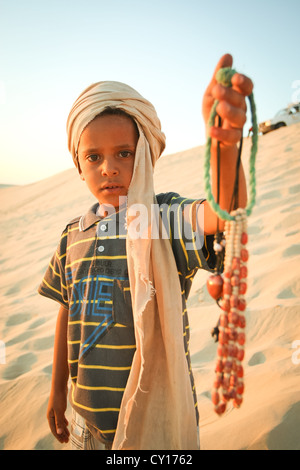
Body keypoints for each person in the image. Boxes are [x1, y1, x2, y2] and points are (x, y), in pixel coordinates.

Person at [38, 53, 253, 450]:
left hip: (157, 421)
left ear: (148, 154)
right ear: (78, 164)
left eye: (125, 153)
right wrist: (57, 390)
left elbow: (221, 212)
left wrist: (225, 145)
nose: (109, 168)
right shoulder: (71, 236)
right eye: (94, 157)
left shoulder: (163, 218)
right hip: (87, 420)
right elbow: (67, 311)